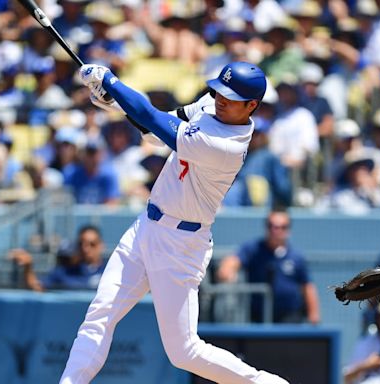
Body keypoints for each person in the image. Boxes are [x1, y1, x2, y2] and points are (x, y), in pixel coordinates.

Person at [59, 61, 290, 383]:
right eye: (219, 90)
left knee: (184, 351)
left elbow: (155, 120)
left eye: (231, 96)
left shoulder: (226, 145)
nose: (221, 99)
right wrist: (117, 103)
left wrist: (111, 82)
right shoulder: (213, 105)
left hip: (181, 244)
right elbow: (157, 130)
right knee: (99, 315)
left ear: (252, 105)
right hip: (147, 227)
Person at [217, 210, 320, 324]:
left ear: (288, 230)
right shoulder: (254, 249)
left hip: (290, 317)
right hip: (259, 316)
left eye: (282, 227)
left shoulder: (296, 256)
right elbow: (233, 261)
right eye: (272, 226)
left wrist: (313, 314)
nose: (276, 231)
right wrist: (227, 270)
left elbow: (307, 285)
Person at [9, 225, 106, 291]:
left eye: (92, 244)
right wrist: (28, 266)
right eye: (81, 244)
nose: (86, 249)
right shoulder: (65, 271)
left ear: (101, 245)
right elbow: (37, 287)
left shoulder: (110, 271)